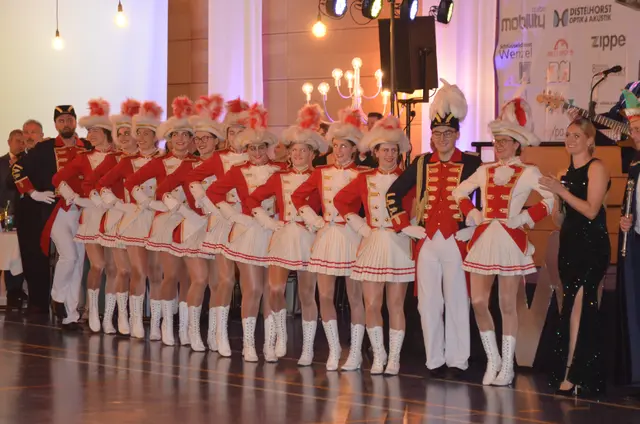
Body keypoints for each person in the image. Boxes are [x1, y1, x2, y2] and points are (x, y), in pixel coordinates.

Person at [452, 97, 554, 386]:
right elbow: (458, 192)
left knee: (507, 304)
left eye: (505, 141)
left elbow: (550, 199)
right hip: (484, 239)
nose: (499, 145)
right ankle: (493, 359)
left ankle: (507, 365)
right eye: (496, 140)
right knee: (478, 301)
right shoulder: (485, 170)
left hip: (510, 241)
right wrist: (472, 212)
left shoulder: (528, 171)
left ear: (517, 143)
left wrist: (525, 218)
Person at [386, 80, 482, 377]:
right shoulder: (421, 163)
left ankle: (458, 359)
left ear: (457, 134)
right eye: (437, 133)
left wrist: (474, 227)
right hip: (427, 240)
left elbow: (486, 199)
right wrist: (405, 226)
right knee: (428, 303)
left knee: (457, 300)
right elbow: (393, 193)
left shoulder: (473, 163)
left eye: (447, 133)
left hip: (457, 240)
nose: (442, 138)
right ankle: (434, 359)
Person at [246, 103, 327, 364]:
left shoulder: (321, 177)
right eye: (294, 150)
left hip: (308, 238)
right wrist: (266, 221)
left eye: (304, 150)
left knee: (307, 294)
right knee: (274, 289)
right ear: (289, 154)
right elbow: (252, 199)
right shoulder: (279, 177)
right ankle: (276, 337)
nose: (299, 154)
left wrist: (318, 222)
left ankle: (307, 348)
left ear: (312, 153)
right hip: (283, 236)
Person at [334, 115, 415, 375]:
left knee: (396, 305)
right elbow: (340, 201)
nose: (389, 155)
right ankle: (379, 355)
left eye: (393, 150)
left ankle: (394, 358)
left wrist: (410, 227)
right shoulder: (364, 178)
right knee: (371, 304)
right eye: (385, 150)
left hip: (398, 243)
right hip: (372, 243)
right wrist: (360, 226)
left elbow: (416, 208)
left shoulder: (407, 178)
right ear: (376, 152)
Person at [206, 103, 285, 362]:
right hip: (248, 232)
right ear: (246, 149)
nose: (257, 153)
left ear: (268, 147)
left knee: (272, 289)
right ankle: (249, 344)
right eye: (252, 148)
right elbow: (213, 192)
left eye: (261, 147)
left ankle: (270, 344)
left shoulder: (280, 170)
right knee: (253, 289)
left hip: (274, 232)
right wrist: (233, 215)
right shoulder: (238, 170)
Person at [292, 108, 368, 371]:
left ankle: (355, 352)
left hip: (351, 237)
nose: (339, 151)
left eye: (344, 146)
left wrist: (361, 226)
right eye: (335, 146)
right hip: (326, 235)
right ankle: (334, 350)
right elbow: (298, 196)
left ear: (354, 149)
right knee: (324, 295)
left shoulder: (362, 174)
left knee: (355, 297)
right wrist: (314, 220)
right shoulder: (321, 172)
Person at [539, 118, 610, 397]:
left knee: (581, 303)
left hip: (592, 246)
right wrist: (555, 200)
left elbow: (591, 210)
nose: (570, 140)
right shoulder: (563, 172)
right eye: (568, 135)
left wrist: (562, 192)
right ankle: (578, 372)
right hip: (569, 245)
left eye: (576, 135)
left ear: (590, 140)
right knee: (570, 305)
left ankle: (573, 372)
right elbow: (560, 220)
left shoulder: (597, 167)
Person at [153, 94, 226, 351]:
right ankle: (186, 329)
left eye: (207, 138)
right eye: (199, 138)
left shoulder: (225, 165)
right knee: (199, 279)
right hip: (193, 228)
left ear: (217, 141)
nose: (202, 143)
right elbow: (161, 190)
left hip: (217, 228)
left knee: (217, 283)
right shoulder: (187, 166)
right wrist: (183, 210)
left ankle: (213, 334)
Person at [124, 96, 197, 346]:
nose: (180, 139)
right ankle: (161, 323)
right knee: (167, 274)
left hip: (190, 223)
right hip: (165, 222)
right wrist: (150, 203)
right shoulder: (160, 162)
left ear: (191, 139)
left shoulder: (197, 163)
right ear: (169, 138)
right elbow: (131, 183)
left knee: (188, 277)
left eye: (185, 135)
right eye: (176, 135)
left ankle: (184, 328)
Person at [182, 97, 251, 355]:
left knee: (239, 283)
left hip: (247, 223)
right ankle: (216, 334)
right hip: (222, 220)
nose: (236, 136)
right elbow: (192, 178)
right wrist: (207, 202)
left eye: (241, 131)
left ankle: (214, 334)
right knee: (223, 280)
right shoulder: (220, 158)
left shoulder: (255, 157)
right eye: (231, 132)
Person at [12, 105, 88, 330]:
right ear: (55, 124)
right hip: (56, 212)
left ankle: (70, 316)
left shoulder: (87, 146)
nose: (66, 124)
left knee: (78, 263)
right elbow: (17, 169)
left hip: (83, 212)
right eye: (61, 120)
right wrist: (32, 192)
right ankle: (57, 297)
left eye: (69, 119)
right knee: (69, 256)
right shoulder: (45, 148)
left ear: (75, 122)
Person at [97, 100, 164, 339]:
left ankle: (155, 323)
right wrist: (119, 205)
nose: (141, 137)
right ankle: (131, 318)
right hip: (133, 220)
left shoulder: (164, 160)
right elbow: (102, 185)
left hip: (158, 220)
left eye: (146, 133)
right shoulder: (127, 161)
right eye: (139, 133)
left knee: (156, 273)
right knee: (137, 270)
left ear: (156, 136)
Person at [53, 98, 118, 334]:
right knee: (78, 260)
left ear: (106, 132)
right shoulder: (83, 157)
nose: (89, 134)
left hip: (111, 216)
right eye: (88, 130)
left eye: (94, 130)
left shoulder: (119, 156)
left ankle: (78, 315)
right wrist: (74, 197)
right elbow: (57, 179)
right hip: (81, 214)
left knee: (92, 266)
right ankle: (61, 299)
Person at [80, 99, 141, 335]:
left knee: (125, 271)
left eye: (128, 133)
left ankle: (119, 316)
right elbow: (91, 182)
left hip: (138, 221)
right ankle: (99, 313)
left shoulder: (150, 159)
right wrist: (108, 201)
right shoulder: (114, 158)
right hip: (111, 218)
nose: (124, 137)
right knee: (108, 268)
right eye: (120, 133)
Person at [614, 90, 640, 391]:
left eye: (638, 130)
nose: (634, 136)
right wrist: (626, 219)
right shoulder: (634, 164)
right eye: (632, 130)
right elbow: (630, 203)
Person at [1, 129, 25, 310]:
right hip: (3, 214)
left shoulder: (28, 163)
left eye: (23, 142)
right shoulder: (1, 163)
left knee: (17, 255)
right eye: (17, 141)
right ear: (9, 142)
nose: (21, 145)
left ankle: (14, 292)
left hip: (23, 216)